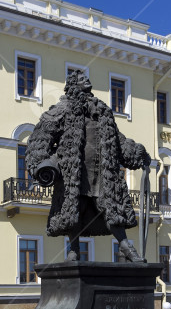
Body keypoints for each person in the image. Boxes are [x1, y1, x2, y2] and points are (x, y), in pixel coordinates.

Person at [25, 69, 151, 261]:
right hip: (75, 173)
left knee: (111, 208)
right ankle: (73, 250)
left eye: (87, 77)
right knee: (75, 209)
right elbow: (41, 136)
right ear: (74, 85)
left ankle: (126, 247)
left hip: (102, 171)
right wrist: (41, 163)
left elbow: (117, 140)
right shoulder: (62, 109)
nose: (87, 80)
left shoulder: (102, 112)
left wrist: (138, 153)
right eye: (82, 79)